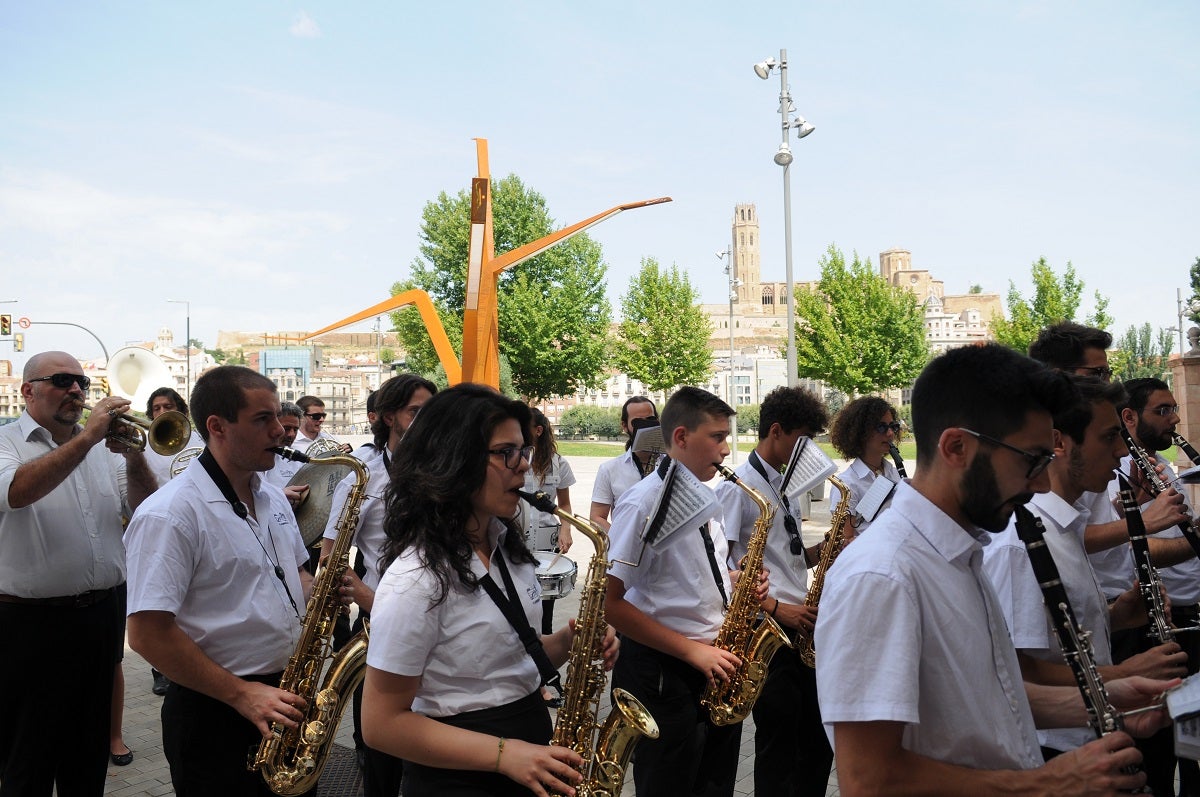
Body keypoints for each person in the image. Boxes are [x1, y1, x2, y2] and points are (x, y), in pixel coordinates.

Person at [814, 343, 1172, 794]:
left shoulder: (960, 551)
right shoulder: (882, 575)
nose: (1041, 483)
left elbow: (987, 698)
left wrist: (1108, 697)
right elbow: (869, 778)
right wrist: (1048, 783)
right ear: (957, 447)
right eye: (1031, 460)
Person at [361, 383, 616, 797]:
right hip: (458, 778)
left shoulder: (507, 550)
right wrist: (504, 754)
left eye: (524, 451)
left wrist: (572, 641)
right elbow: (380, 724)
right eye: (505, 453)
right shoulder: (416, 578)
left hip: (525, 753)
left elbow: (508, 662)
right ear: (454, 459)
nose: (523, 467)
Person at [125, 366, 316, 797]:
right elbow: (147, 635)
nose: (280, 431)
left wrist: (323, 594)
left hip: (284, 694)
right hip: (215, 709)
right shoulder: (169, 513)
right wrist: (241, 695)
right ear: (217, 426)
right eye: (262, 419)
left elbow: (298, 574)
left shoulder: (269, 495)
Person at [980, 375, 1187, 759]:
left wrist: (1116, 615)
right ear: (1058, 443)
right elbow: (1017, 670)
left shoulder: (1066, 524)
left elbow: (1055, 639)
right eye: (1109, 437)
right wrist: (1126, 673)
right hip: (1054, 749)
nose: (1121, 453)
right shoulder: (1021, 542)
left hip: (1087, 736)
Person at [0, 351, 157, 796]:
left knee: (87, 756)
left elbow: (143, 509)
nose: (77, 391)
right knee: (27, 758)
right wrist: (87, 438)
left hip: (100, 616)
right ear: (28, 391)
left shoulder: (99, 448)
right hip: (28, 624)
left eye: (82, 383)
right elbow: (15, 491)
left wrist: (133, 457)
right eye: (63, 380)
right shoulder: (7, 443)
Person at [606, 386, 766, 797]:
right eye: (717, 437)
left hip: (713, 664)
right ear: (680, 437)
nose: (727, 449)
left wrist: (737, 582)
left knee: (714, 784)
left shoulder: (704, 495)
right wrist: (693, 651)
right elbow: (610, 603)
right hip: (666, 671)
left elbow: (691, 574)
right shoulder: (641, 503)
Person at [320, 372, 435, 797]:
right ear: (388, 417)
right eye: (415, 412)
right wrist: (370, 599)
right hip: (377, 624)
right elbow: (332, 558)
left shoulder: (448, 473)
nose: (425, 421)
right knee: (381, 755)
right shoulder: (361, 479)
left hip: (440, 622)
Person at [716, 385, 831, 797]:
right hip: (768, 630)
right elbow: (724, 571)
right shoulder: (739, 486)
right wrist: (775, 607)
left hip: (799, 626)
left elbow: (790, 557)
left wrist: (829, 548)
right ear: (777, 431)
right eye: (804, 439)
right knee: (778, 747)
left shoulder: (782, 483)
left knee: (815, 742)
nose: (809, 450)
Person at [1116, 377, 1200, 795]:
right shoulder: (1118, 474)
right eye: (1163, 410)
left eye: (1174, 409)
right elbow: (1131, 546)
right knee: (1160, 753)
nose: (1175, 418)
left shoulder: (1161, 466)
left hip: (1187, 619)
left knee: (1190, 745)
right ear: (1130, 417)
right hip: (1149, 626)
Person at [524, 408, 577, 639]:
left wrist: (566, 529)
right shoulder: (514, 460)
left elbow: (564, 504)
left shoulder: (558, 464)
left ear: (538, 430)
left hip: (548, 543)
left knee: (545, 605)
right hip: (518, 541)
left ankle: (545, 652)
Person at [828, 396, 904, 541]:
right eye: (881, 427)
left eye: (892, 426)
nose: (890, 434)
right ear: (861, 433)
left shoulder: (894, 473)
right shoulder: (846, 485)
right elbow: (846, 540)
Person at [589, 396, 657, 530]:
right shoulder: (609, 469)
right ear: (624, 426)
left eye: (650, 420)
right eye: (637, 422)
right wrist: (621, 541)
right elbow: (596, 517)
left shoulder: (674, 464)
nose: (645, 427)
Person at [142, 386, 206, 486]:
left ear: (180, 410)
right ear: (152, 414)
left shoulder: (201, 438)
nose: (162, 412)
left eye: (168, 406)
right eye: (156, 408)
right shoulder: (144, 445)